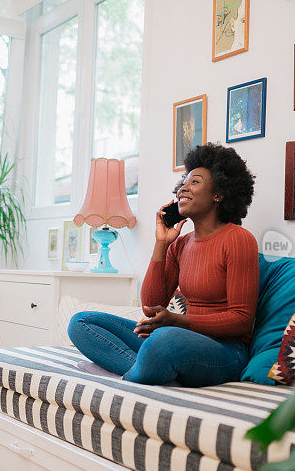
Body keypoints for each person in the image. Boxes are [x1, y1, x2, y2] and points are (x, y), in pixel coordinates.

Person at [68, 143, 259, 387]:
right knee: (82, 323)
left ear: (218, 194)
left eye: (194, 182)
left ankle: (127, 373)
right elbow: (150, 306)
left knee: (165, 340)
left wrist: (179, 321)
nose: (182, 190)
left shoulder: (238, 239)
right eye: (183, 183)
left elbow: (241, 319)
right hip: (179, 338)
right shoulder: (180, 244)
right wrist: (162, 243)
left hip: (225, 351)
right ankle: (141, 371)